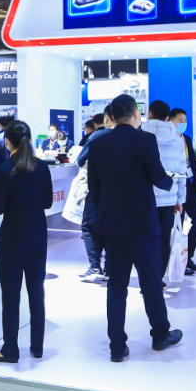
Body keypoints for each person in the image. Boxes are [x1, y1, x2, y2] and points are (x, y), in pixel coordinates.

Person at [86, 94, 182, 362]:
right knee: (150, 282)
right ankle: (160, 335)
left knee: (116, 285)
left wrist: (106, 210)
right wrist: (170, 182)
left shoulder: (98, 143)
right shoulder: (145, 140)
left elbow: (94, 187)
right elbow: (158, 177)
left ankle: (117, 345)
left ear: (111, 116)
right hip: (142, 223)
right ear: (136, 113)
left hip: (113, 224)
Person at [0, 121, 53, 364]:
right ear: (30, 139)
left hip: (12, 238)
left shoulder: (5, 170)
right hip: (38, 236)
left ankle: (10, 348)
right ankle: (38, 347)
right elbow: (48, 203)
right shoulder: (42, 167)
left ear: (7, 142)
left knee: (11, 295)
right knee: (37, 292)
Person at [139, 101, 187, 285]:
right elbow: (182, 172)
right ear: (168, 117)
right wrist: (180, 199)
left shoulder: (141, 135)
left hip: (145, 197)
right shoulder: (178, 139)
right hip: (169, 196)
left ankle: (147, 279)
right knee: (164, 239)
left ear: (149, 114)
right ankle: (157, 279)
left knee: (145, 240)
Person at [76, 107, 113, 283]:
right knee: (112, 228)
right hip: (122, 192)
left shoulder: (96, 136)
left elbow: (80, 160)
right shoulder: (137, 136)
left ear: (107, 118)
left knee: (89, 226)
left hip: (97, 188)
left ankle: (95, 266)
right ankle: (110, 268)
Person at [170, 108, 196, 275]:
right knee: (178, 226)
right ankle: (177, 262)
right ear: (170, 121)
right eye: (180, 120)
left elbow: (193, 164)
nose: (183, 123)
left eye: (185, 120)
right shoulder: (168, 140)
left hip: (189, 185)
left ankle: (187, 257)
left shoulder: (186, 139)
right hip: (175, 186)